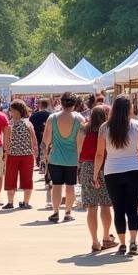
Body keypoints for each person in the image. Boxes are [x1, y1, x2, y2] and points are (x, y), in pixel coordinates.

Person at [94, 95, 138, 255]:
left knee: (118, 209)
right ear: (129, 108)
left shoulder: (105, 127)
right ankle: (133, 242)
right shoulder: (137, 126)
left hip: (112, 171)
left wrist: (96, 174)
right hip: (133, 169)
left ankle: (122, 243)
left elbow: (99, 154)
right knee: (132, 208)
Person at [77, 104, 116, 251]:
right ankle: (106, 237)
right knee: (106, 205)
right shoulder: (107, 129)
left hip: (87, 167)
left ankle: (95, 241)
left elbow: (79, 149)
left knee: (91, 207)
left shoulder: (83, 129)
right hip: (106, 166)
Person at [43, 92, 84, 222]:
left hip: (55, 158)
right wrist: (79, 159)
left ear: (61, 102)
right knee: (70, 186)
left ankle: (55, 212)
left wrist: (45, 156)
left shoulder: (52, 118)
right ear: (75, 104)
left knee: (56, 185)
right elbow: (80, 142)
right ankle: (68, 212)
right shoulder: (79, 119)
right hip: (72, 159)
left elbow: (45, 141)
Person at [2, 100, 36, 209]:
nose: (10, 112)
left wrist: (5, 153)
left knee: (11, 178)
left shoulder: (10, 124)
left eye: (11, 110)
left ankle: (11, 202)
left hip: (14, 154)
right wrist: (34, 151)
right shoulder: (27, 123)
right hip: (26, 154)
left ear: (17, 110)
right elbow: (34, 139)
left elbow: (6, 140)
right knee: (26, 178)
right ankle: (25, 202)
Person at [30, 99, 50, 170]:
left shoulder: (34, 115)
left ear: (40, 105)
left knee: (39, 147)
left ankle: (40, 163)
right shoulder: (51, 115)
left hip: (37, 134)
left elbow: (30, 125)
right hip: (49, 135)